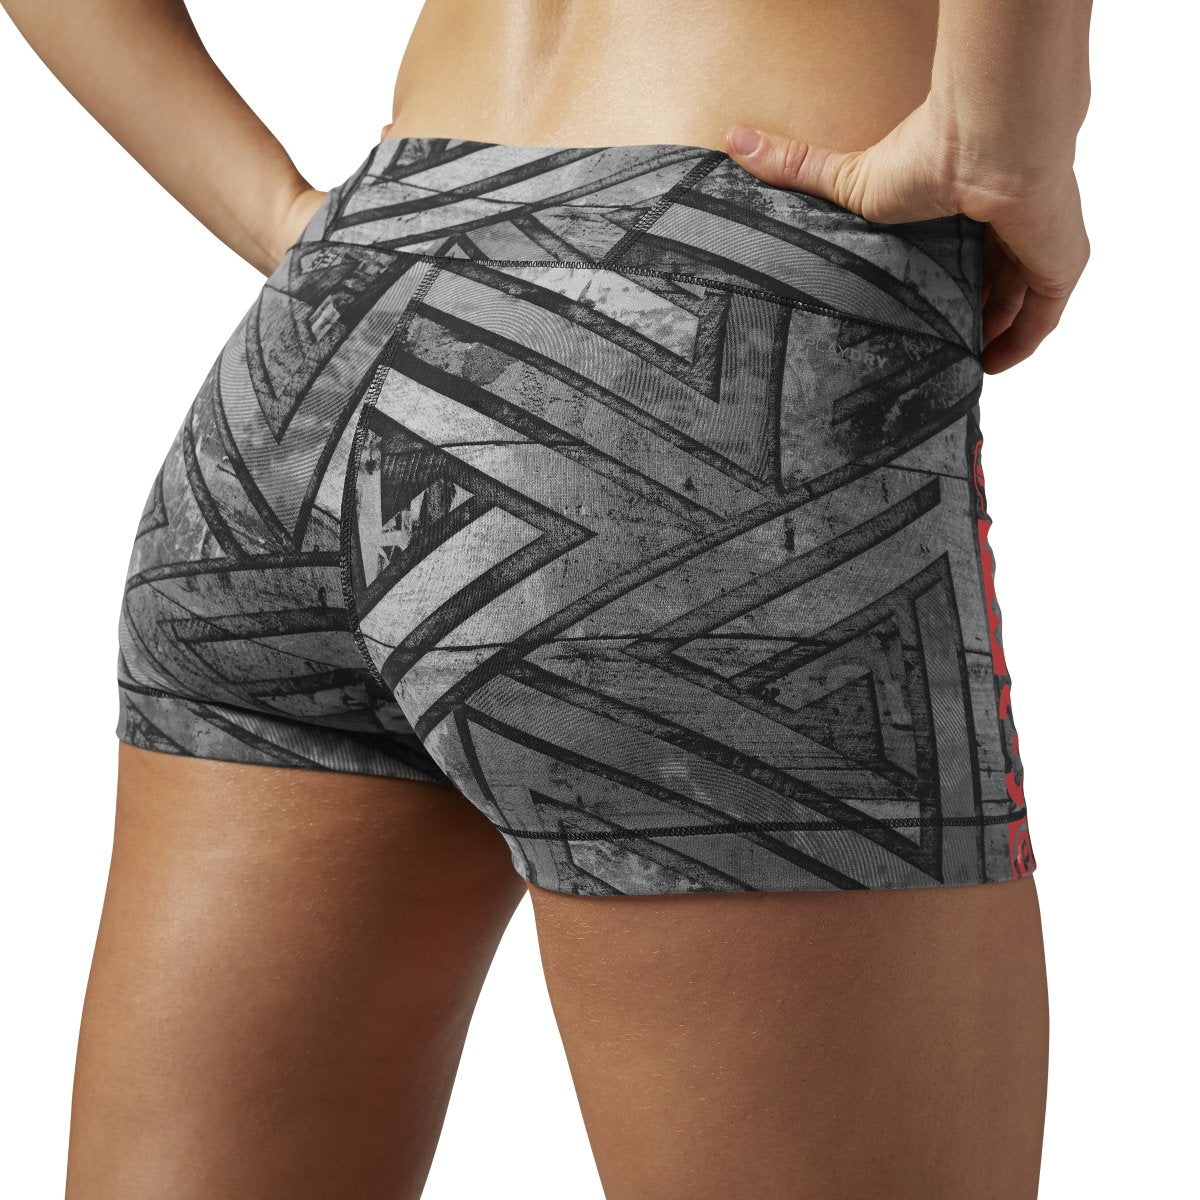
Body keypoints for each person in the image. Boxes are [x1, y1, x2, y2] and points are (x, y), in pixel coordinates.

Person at [4, 0, 1090, 1195]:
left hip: (327, 331)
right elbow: (990, 124)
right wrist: (998, 139)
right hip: (713, 323)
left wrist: (285, 222)